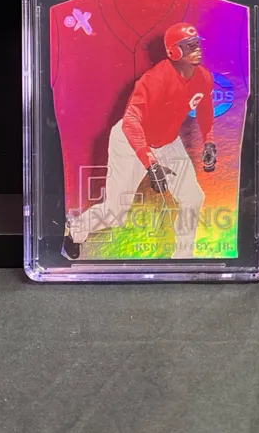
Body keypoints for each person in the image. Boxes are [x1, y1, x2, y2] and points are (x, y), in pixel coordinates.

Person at [62, 23, 217, 260]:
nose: (197, 49)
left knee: (194, 198)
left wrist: (209, 142)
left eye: (197, 44)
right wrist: (150, 163)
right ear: (174, 51)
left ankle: (183, 257)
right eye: (189, 46)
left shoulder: (203, 78)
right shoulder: (155, 79)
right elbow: (131, 121)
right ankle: (76, 230)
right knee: (115, 212)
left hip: (167, 142)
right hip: (131, 142)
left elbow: (205, 108)